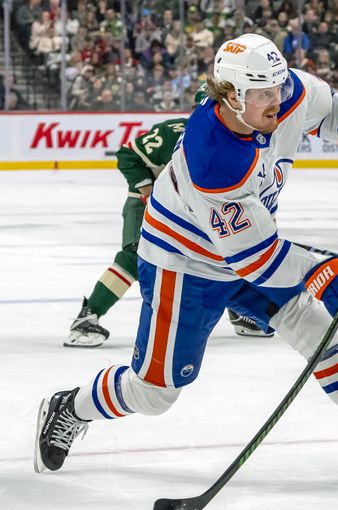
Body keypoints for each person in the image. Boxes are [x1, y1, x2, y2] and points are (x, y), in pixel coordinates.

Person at [36, 34, 338, 485]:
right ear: (232, 97)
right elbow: (256, 261)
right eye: (264, 94)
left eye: (279, 87)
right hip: (184, 262)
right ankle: (70, 407)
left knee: (318, 330)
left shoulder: (283, 94)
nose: (277, 100)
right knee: (155, 393)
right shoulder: (213, 156)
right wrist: (320, 273)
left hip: (247, 246)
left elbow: (329, 108)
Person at [64, 88, 270, 348]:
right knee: (135, 255)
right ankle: (88, 316)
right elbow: (128, 155)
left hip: (194, 211)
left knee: (223, 254)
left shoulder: (235, 142)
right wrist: (147, 189)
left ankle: (239, 313)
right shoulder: (173, 132)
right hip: (152, 205)